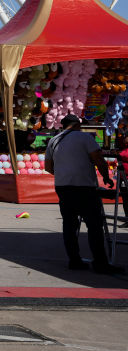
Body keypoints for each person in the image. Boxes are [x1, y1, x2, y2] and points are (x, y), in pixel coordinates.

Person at [44, 114, 124, 274]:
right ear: (77, 125)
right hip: (84, 187)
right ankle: (100, 263)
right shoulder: (85, 138)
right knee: (94, 225)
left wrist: (64, 174)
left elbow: (48, 167)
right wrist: (106, 177)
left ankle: (74, 260)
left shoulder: (53, 140)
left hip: (63, 187)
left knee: (69, 225)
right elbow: (98, 159)